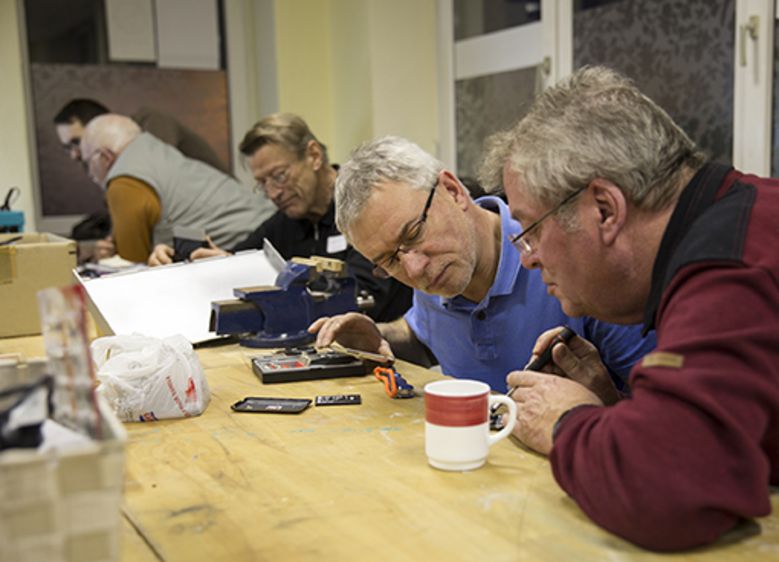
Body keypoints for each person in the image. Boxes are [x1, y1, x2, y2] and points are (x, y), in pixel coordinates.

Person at [479, 66, 779, 551]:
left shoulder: (726, 266)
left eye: (531, 229)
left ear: (604, 209)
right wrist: (617, 413)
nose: (528, 258)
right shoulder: (734, 215)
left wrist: (565, 422)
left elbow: (668, 492)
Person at [310, 136, 655, 394]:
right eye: (388, 260)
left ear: (453, 191)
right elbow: (426, 335)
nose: (414, 270)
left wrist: (600, 403)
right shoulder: (436, 268)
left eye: (414, 233)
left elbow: (670, 425)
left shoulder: (560, 252)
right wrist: (379, 336)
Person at [148, 113, 412, 323]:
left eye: (279, 176)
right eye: (262, 184)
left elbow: (364, 296)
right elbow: (240, 258)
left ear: (313, 156)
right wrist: (186, 259)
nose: (273, 193)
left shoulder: (363, 204)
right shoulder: (288, 219)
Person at [79, 114, 274, 263]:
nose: (89, 173)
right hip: (269, 229)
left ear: (105, 157)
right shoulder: (155, 152)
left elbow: (131, 265)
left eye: (86, 162)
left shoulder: (124, 181)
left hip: (245, 249)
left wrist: (110, 257)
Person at [54, 98, 230, 174]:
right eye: (67, 148)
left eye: (77, 142)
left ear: (100, 125)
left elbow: (155, 180)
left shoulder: (150, 122)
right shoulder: (109, 162)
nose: (74, 155)